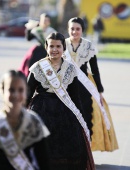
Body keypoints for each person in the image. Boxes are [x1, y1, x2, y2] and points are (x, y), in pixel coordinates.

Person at [27, 32, 95, 170]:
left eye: (58, 46)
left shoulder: (70, 68)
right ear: (46, 47)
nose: (54, 49)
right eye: (51, 46)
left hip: (65, 113)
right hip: (41, 111)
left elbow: (75, 97)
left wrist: (82, 121)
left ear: (63, 47)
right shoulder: (37, 68)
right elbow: (27, 95)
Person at [0, 70, 50, 170]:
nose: (15, 95)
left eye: (20, 90)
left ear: (26, 92)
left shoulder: (34, 122)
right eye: (11, 90)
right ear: (2, 90)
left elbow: (43, 161)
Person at [64, 17, 118, 152]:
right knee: (67, 117)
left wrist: (99, 90)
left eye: (78, 29)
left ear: (82, 30)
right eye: (72, 29)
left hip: (84, 87)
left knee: (86, 116)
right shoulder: (62, 44)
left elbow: (95, 69)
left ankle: (85, 150)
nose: (75, 32)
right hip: (66, 85)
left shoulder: (88, 46)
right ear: (68, 29)